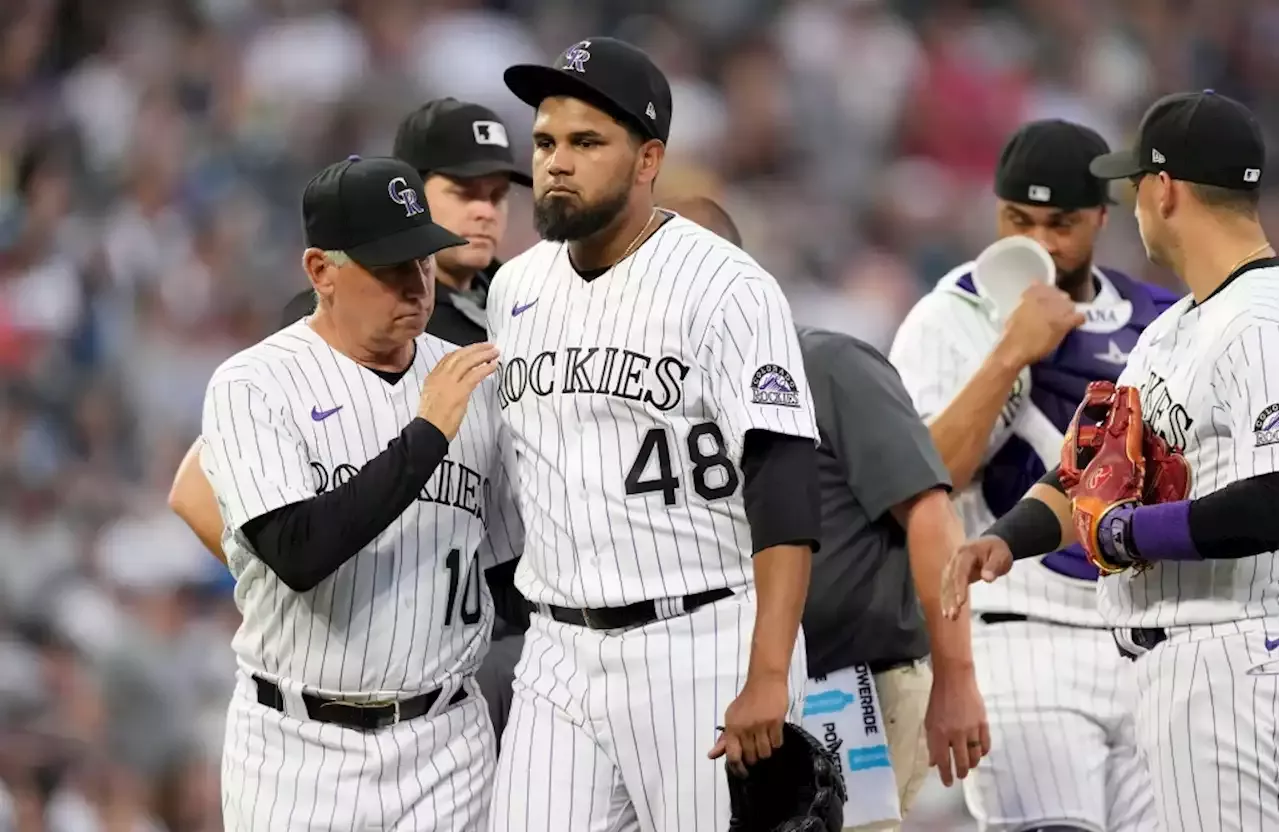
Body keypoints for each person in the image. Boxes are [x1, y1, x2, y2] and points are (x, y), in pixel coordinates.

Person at [487, 37, 819, 831]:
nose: (557, 162)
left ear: (648, 160)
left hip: (701, 639)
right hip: (559, 653)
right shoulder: (516, 288)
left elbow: (782, 479)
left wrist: (768, 671)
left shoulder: (726, 286)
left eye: (586, 142)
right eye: (545, 142)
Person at [942, 90, 1280, 832]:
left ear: (1165, 190)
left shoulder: (1262, 319)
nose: (1131, 208)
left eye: (1131, 190)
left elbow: (1274, 498)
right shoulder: (1171, 329)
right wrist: (1008, 537)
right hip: (1178, 658)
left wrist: (1130, 535)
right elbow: (1087, 472)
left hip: (1242, 654)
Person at [169, 97, 533, 744]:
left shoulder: (518, 307)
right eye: (462, 190)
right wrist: (327, 603)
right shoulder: (326, 330)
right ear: (413, 190)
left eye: (498, 194)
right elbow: (197, 491)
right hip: (343, 689)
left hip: (467, 671)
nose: (485, 210)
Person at [667, 194, 988, 831]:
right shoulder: (665, 396)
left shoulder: (824, 363)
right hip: (739, 687)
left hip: (855, 686)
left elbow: (929, 513)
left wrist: (956, 676)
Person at [889, 120, 1176, 832]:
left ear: (1102, 219)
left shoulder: (1159, 320)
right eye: (1020, 219)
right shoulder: (947, 317)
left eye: (1062, 223)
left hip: (1142, 636)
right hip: (1021, 630)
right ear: (995, 211)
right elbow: (925, 479)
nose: (1042, 242)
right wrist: (1010, 353)